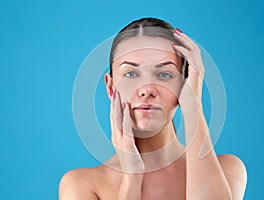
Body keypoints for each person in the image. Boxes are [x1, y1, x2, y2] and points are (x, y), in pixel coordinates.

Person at [59, 17, 247, 200]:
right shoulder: (80, 184)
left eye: (165, 74)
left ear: (185, 84)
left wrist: (193, 104)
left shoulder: (227, 169)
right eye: (131, 73)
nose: (147, 89)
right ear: (110, 87)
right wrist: (131, 177)